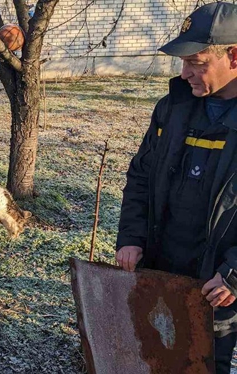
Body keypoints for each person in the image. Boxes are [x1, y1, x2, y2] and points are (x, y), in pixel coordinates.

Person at [116, 2, 237, 372]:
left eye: (196, 63)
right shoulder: (172, 109)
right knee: (152, 356)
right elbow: (140, 176)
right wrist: (132, 237)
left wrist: (234, 273)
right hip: (159, 270)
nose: (184, 74)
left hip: (216, 287)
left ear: (234, 56)